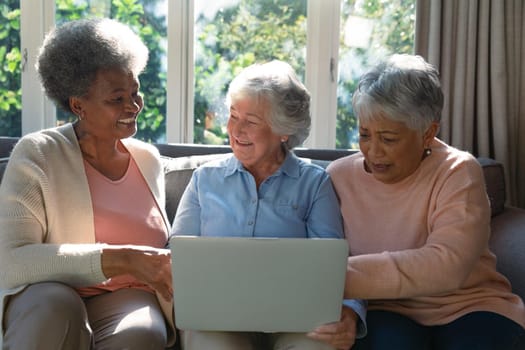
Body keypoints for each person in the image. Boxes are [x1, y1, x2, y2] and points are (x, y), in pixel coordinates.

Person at [326, 54, 525, 349]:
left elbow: (447, 264)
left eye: (389, 139)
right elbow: (320, 247)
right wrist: (344, 305)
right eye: (365, 134)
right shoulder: (337, 177)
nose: (373, 151)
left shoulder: (458, 171)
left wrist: (331, 278)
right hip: (385, 308)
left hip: (469, 304)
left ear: (428, 133)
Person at [0, 18, 175, 349]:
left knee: (143, 333)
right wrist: (122, 258)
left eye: (135, 92)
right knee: (56, 308)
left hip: (126, 295)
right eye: (116, 99)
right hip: (50, 293)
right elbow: (12, 263)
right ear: (78, 105)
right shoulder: (37, 153)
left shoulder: (147, 159)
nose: (133, 106)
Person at [171, 60, 366, 350]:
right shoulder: (204, 180)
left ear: (283, 131)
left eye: (250, 121)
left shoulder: (314, 183)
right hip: (218, 318)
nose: (235, 130)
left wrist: (350, 312)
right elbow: (176, 258)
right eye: (233, 116)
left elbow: (333, 263)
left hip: (297, 318)